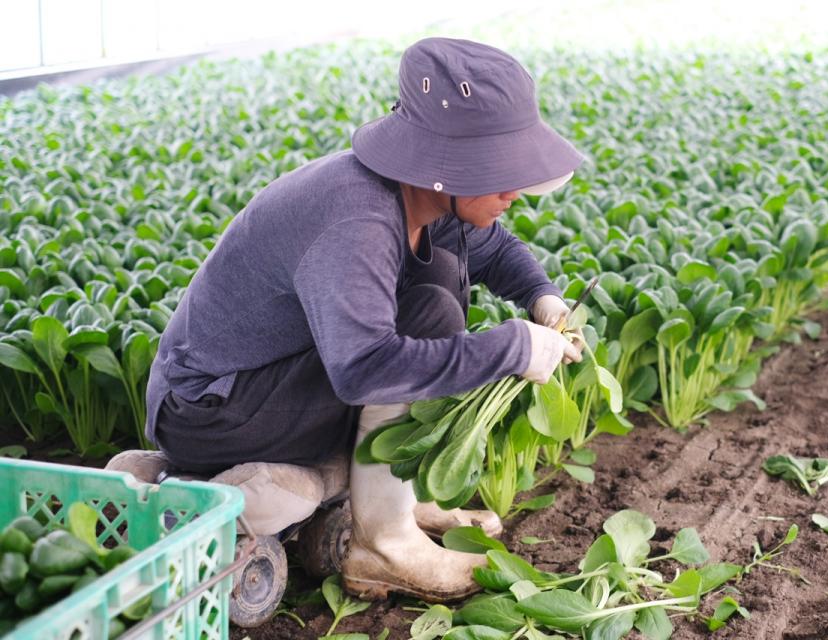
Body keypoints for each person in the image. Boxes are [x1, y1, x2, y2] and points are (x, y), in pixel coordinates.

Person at [116, 37, 586, 602]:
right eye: (496, 170)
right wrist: (512, 348)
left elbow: (490, 248)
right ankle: (384, 545)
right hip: (210, 409)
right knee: (431, 310)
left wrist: (542, 297)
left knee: (436, 281)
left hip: (267, 385)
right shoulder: (356, 219)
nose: (514, 190)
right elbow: (365, 370)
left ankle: (400, 500)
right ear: (443, 166)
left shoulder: (422, 198)